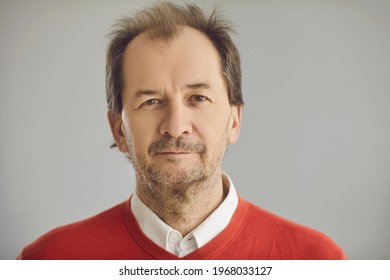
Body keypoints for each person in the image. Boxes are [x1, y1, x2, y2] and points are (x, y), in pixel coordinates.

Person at [18, 1, 346, 260]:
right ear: (119, 129)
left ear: (234, 121)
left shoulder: (316, 262)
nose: (175, 125)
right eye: (150, 101)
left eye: (198, 98)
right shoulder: (50, 262)